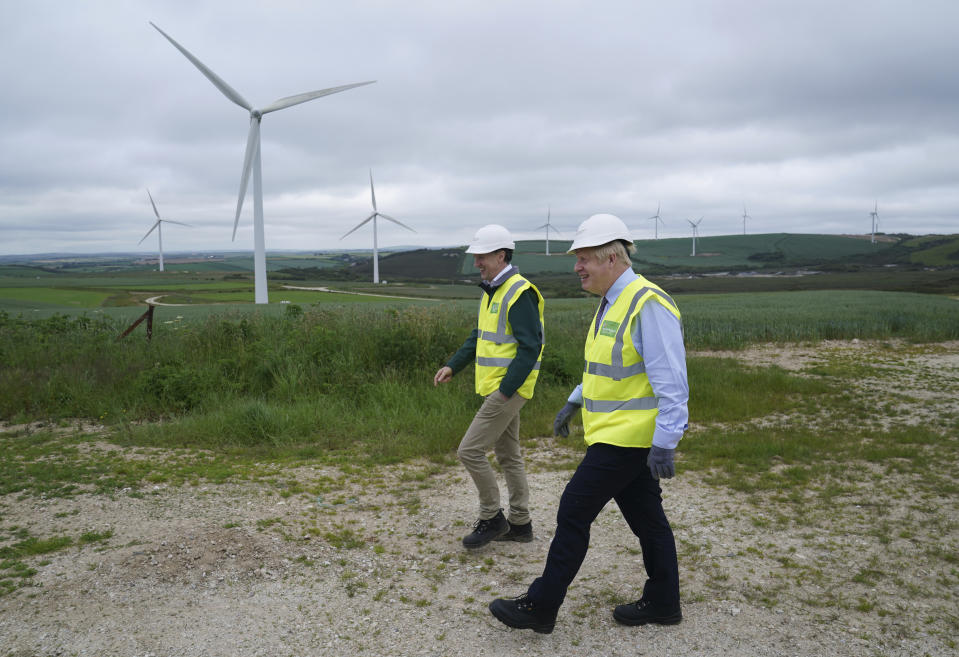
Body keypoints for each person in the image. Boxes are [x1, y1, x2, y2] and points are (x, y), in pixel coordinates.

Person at [489, 213, 689, 634]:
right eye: (577, 258)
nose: (577, 267)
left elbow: (672, 382)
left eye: (584, 259)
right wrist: (575, 401)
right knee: (649, 521)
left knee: (573, 511)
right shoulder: (612, 302)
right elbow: (607, 368)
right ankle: (664, 601)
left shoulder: (647, 303)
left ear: (612, 258)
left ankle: (541, 607)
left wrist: (666, 441)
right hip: (615, 434)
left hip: (627, 440)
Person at [433, 224, 546, 549]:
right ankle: (521, 524)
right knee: (509, 454)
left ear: (501, 255)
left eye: (481, 256)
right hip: (499, 387)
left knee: (469, 450)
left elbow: (530, 347)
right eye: (475, 257)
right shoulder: (493, 290)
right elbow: (478, 336)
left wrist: (508, 389)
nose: (476, 263)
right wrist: (454, 364)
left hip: (507, 389)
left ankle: (491, 517)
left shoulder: (518, 292)